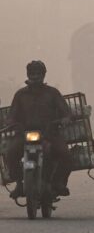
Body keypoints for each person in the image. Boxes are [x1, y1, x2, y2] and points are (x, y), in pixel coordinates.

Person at [7, 61, 72, 199]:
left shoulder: (53, 93)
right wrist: (12, 123)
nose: (35, 77)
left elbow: (66, 112)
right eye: (32, 74)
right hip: (24, 134)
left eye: (38, 74)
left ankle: (58, 183)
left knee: (65, 155)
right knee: (10, 153)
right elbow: (12, 115)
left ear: (43, 75)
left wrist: (65, 118)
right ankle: (19, 184)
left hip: (50, 133)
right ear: (28, 75)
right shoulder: (20, 95)